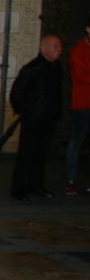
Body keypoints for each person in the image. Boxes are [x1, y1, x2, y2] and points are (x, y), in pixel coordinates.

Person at [9, 33, 64, 200]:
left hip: (49, 119)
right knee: (26, 154)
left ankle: (36, 186)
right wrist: (27, 112)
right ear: (43, 48)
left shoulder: (56, 68)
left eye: (60, 46)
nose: (59, 49)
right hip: (33, 120)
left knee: (41, 154)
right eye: (55, 46)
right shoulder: (32, 69)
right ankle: (18, 189)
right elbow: (17, 93)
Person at [65, 18, 90, 194]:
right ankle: (71, 180)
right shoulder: (78, 50)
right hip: (83, 104)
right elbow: (80, 77)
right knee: (76, 141)